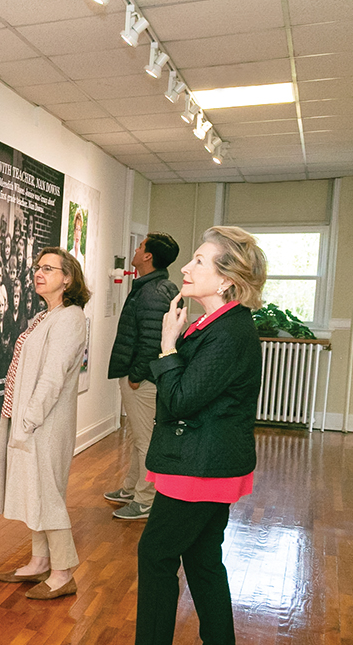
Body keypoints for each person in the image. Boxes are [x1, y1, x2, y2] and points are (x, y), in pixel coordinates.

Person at [136, 226, 266, 645]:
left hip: (200, 467)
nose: (186, 269)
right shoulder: (215, 323)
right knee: (202, 560)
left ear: (226, 279)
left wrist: (167, 344)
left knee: (155, 555)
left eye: (198, 261)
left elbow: (180, 400)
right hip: (203, 461)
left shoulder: (228, 331)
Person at [0, 247, 90, 600]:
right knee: (36, 491)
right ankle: (39, 562)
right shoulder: (46, 316)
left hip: (44, 423)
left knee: (47, 495)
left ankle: (63, 573)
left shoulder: (70, 318)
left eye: (48, 268)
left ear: (68, 278)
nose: (39, 272)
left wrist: (28, 421)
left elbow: (52, 378)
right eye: (38, 267)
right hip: (29, 419)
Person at [104, 233, 181, 520]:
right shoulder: (153, 287)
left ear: (148, 256)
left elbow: (153, 341)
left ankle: (146, 499)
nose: (135, 250)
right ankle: (131, 489)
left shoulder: (153, 292)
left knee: (145, 440)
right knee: (139, 437)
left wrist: (136, 375)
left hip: (143, 379)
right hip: (143, 376)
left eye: (140, 246)